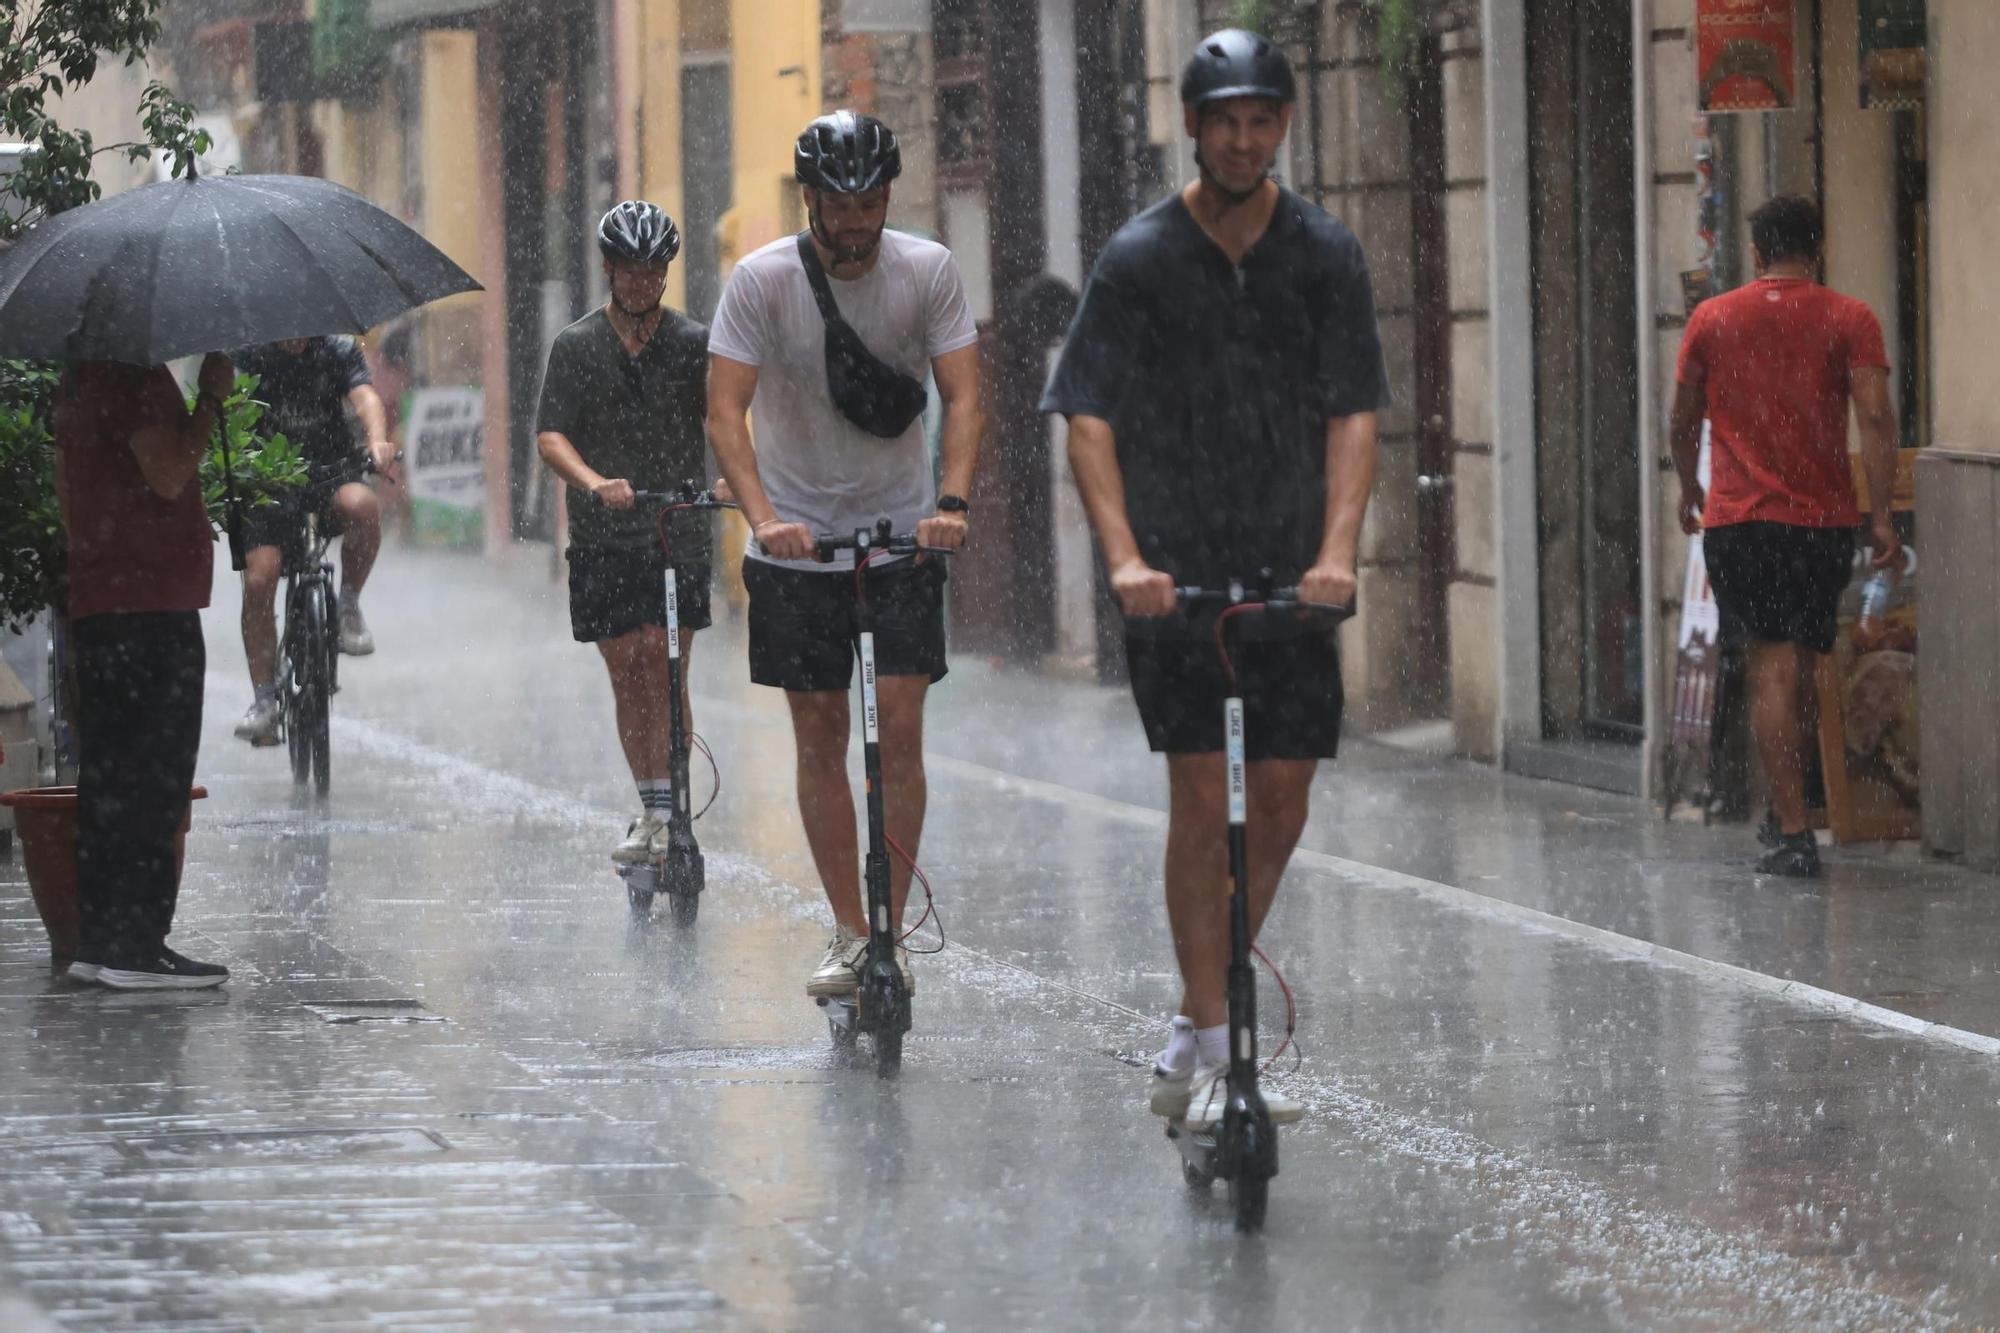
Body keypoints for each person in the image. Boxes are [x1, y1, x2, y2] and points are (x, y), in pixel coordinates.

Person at [1041, 30, 1389, 1128]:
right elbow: (1083, 418)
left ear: (1281, 126)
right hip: (1174, 581)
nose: (1242, 139)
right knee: (1201, 801)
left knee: (1278, 803)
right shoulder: (1138, 258)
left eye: (1260, 119)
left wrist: (1336, 552)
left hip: (1290, 574)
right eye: (1223, 120)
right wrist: (1124, 559)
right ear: (1192, 128)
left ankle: (1200, 1010)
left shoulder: (1324, 254)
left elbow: (1353, 415)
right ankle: (1215, 1034)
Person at [706, 111, 981, 999]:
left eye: (871, 202)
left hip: (902, 537)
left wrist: (951, 503)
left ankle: (890, 926)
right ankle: (850, 928)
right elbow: (724, 413)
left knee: (899, 725)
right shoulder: (760, 282)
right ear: (810, 199)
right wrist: (761, 518)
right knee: (819, 735)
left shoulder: (927, 270)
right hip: (797, 545)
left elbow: (964, 396)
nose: (857, 221)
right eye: (840, 203)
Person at [1670, 195, 1900, 878]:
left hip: (1742, 520)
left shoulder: (1713, 319)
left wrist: (1690, 486)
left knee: (1771, 663)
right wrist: (1881, 512)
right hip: (1823, 521)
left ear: (1759, 254)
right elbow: (1877, 416)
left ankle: (1795, 827)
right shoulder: (1850, 318)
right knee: (1803, 660)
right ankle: (1792, 809)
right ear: (1818, 249)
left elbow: (1682, 418)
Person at [537, 201, 714, 863]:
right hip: (605, 535)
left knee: (667, 665)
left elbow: (722, 421)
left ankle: (677, 808)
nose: (643, 283)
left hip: (677, 530)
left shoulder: (693, 343)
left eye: (655, 271)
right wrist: (592, 481)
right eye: (632, 272)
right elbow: (550, 436)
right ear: (609, 269)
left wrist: (725, 480)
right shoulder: (578, 346)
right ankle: (652, 806)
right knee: (627, 668)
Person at [55, 353, 237, 989]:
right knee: (154, 776)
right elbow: (167, 473)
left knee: (111, 774)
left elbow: (72, 488)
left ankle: (103, 942)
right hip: (148, 605)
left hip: (110, 600)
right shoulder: (129, 374)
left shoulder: (80, 373)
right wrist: (210, 401)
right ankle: (135, 948)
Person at [230, 335, 398, 745]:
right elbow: (230, 410)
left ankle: (349, 605)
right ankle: (265, 700)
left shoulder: (338, 351)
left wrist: (377, 439)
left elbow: (366, 398)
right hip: (267, 483)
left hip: (330, 475)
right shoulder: (249, 354)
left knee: (364, 507)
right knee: (259, 579)